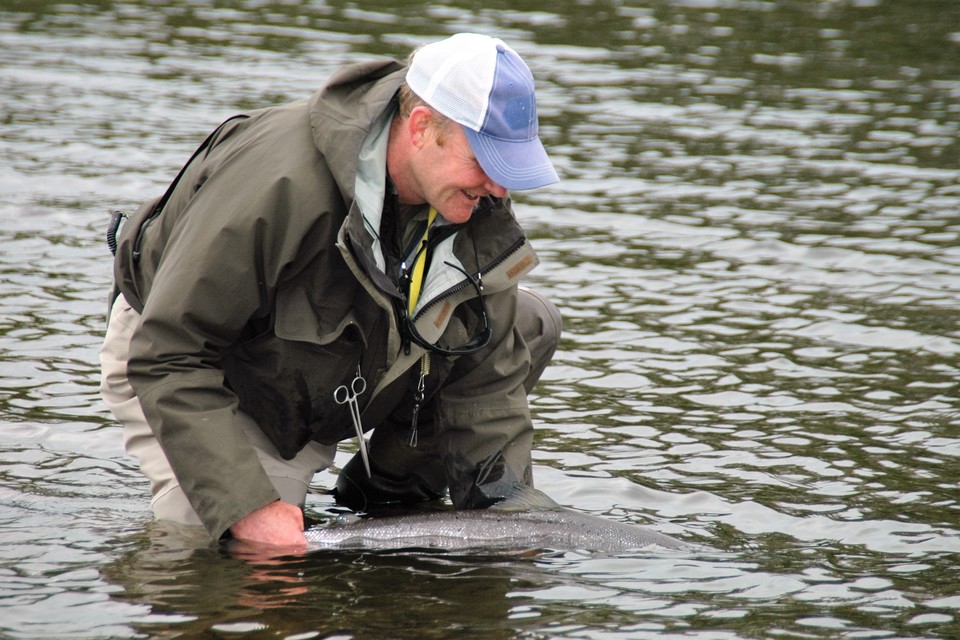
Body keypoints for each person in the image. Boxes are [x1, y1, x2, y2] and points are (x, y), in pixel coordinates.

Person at [100, 32, 562, 547]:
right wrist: (247, 504)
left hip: (332, 369)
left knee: (525, 324)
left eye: (508, 167)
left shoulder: (476, 201)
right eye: (484, 162)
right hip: (205, 372)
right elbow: (169, 354)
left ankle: (388, 496)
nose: (499, 188)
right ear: (420, 128)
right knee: (239, 547)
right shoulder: (278, 183)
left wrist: (512, 520)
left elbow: (486, 390)